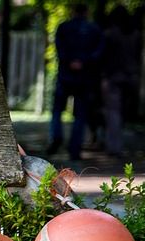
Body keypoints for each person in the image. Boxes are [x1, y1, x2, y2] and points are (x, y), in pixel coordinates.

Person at [48, 4, 103, 161]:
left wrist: (70, 61)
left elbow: (59, 48)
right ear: (86, 11)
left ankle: (56, 137)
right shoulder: (94, 29)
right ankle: (74, 148)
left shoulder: (64, 27)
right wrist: (84, 62)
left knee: (57, 110)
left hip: (65, 75)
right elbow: (98, 52)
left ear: (73, 11)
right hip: (84, 78)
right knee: (80, 115)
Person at [100, 7, 142, 156]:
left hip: (114, 78)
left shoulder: (109, 35)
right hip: (131, 78)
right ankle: (117, 144)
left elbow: (105, 59)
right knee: (122, 113)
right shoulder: (135, 35)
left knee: (113, 113)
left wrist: (104, 78)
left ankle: (114, 147)